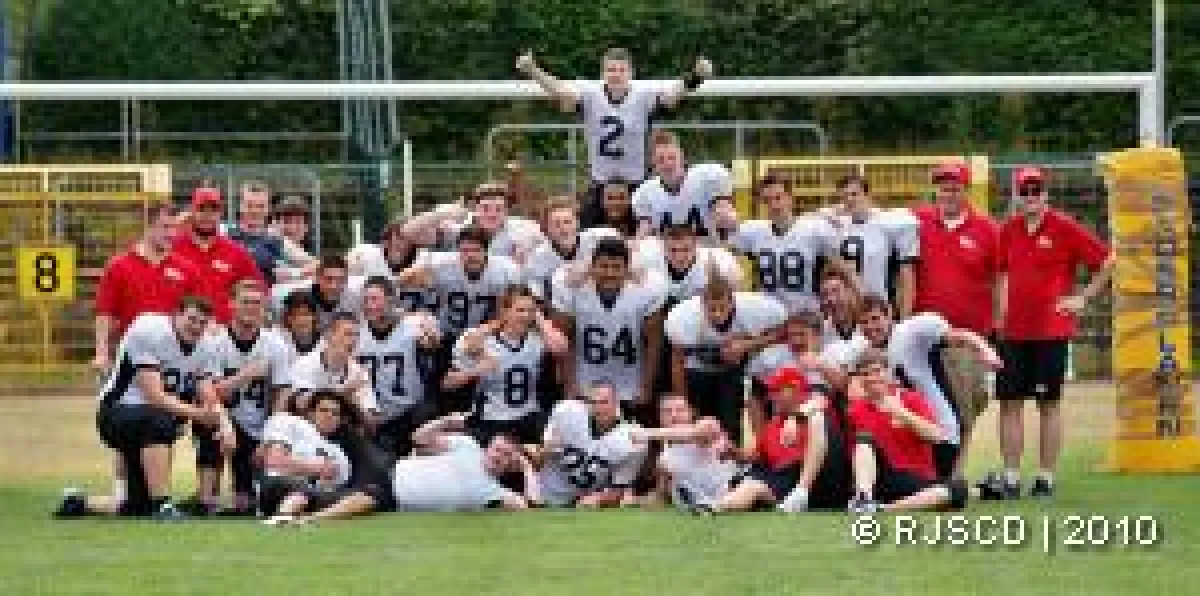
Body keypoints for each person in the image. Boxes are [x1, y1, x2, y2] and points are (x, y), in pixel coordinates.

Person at [981, 166, 1113, 500]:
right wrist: (997, 320)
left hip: (1050, 333)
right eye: (1024, 192)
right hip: (1012, 334)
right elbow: (998, 276)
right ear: (1016, 196)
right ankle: (1011, 476)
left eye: (1036, 191)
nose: (1030, 198)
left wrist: (1084, 297)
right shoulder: (1006, 230)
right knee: (1009, 404)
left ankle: (1045, 477)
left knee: (1048, 403)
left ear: (1046, 194)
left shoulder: (1065, 227)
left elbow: (1108, 261)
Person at [56, 298, 228, 520]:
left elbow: (207, 392)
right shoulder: (149, 330)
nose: (196, 327)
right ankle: (163, 506)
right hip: (117, 413)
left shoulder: (206, 345)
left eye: (202, 323)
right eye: (191, 319)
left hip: (151, 422)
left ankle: (78, 503)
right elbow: (153, 396)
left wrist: (223, 423)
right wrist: (200, 415)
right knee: (160, 416)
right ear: (175, 316)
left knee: (137, 506)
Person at [516, 48, 712, 228]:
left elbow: (671, 97)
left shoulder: (643, 94)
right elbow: (562, 92)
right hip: (601, 183)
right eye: (611, 70)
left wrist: (696, 76)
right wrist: (533, 70)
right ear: (602, 73)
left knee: (647, 235)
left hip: (637, 183)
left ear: (630, 73)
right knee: (585, 235)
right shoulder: (590, 93)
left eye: (621, 70)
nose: (616, 74)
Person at [824, 295, 1003, 478]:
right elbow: (847, 383)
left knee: (918, 483)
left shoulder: (910, 332)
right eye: (864, 323)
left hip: (938, 435)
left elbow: (960, 336)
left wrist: (985, 350)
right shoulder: (864, 348)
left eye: (875, 319)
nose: (871, 327)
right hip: (909, 437)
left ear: (890, 316)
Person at [277, 413, 535, 521]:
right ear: (489, 446)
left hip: (396, 497)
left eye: (505, 454)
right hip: (390, 470)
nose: (498, 456)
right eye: (497, 449)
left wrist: (525, 465)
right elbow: (419, 439)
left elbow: (527, 508)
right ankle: (306, 514)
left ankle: (292, 504)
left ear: (510, 461)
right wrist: (446, 421)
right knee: (359, 489)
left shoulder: (494, 491)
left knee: (348, 498)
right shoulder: (467, 445)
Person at [912, 161, 1003, 468]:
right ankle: (937, 471)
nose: (947, 193)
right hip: (925, 338)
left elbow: (1002, 277)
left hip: (969, 337)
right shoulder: (917, 221)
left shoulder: (988, 229)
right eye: (942, 186)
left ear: (966, 190)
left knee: (966, 407)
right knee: (928, 406)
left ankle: (955, 471)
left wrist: (999, 323)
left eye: (954, 187)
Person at [192, 279, 293, 515]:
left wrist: (271, 435)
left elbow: (283, 392)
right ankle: (206, 497)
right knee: (209, 420)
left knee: (246, 504)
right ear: (232, 305)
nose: (251, 307)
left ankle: (241, 493)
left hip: (256, 429)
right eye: (245, 302)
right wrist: (243, 377)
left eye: (257, 303)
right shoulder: (214, 341)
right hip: (222, 420)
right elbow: (208, 393)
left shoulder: (275, 344)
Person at [699, 366, 850, 514]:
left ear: (796, 389)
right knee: (748, 481)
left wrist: (795, 418)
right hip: (779, 476)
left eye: (777, 390)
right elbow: (754, 456)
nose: (772, 396)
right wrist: (732, 451)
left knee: (754, 485)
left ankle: (716, 507)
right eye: (771, 391)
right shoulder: (774, 423)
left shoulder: (815, 405)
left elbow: (818, 404)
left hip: (815, 478)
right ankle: (717, 505)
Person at [550, 238, 667, 422]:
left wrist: (646, 385)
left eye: (616, 267)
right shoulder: (569, 286)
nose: (609, 273)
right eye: (603, 266)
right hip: (585, 377)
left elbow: (653, 342)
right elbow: (564, 339)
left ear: (627, 269)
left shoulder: (649, 287)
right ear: (591, 267)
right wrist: (569, 382)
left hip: (630, 378)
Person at [664, 271, 788, 442]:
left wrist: (747, 345)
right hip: (697, 369)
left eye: (722, 308)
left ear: (732, 302)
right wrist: (683, 402)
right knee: (699, 424)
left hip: (732, 369)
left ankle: (732, 464)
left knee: (730, 425)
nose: (717, 315)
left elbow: (784, 331)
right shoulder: (682, 318)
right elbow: (677, 361)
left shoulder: (758, 308)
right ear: (702, 304)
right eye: (711, 309)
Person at [845, 349, 968, 514]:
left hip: (917, 478)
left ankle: (881, 509)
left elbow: (937, 436)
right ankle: (864, 499)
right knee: (863, 440)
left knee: (957, 490)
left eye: (877, 371)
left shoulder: (911, 399)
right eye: (866, 374)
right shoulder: (856, 410)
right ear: (860, 379)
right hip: (881, 478)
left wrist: (900, 413)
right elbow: (858, 456)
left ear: (888, 373)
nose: (872, 378)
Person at [444, 286, 569, 444]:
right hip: (491, 419)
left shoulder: (537, 339)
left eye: (530, 311)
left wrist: (540, 319)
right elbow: (448, 383)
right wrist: (476, 371)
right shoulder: (481, 340)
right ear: (505, 311)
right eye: (520, 310)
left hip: (528, 416)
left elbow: (562, 349)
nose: (525, 316)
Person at [93, 200, 202, 373]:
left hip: (172, 359)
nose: (171, 234)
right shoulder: (119, 266)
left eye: (175, 228)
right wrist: (101, 353)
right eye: (165, 227)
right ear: (148, 227)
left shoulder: (187, 269)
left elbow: (200, 313)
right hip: (130, 357)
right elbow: (104, 313)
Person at [356, 276, 441, 458]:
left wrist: (429, 342)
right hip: (369, 415)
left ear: (391, 300)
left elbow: (431, 341)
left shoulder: (414, 326)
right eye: (365, 300)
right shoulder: (355, 332)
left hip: (408, 412)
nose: (369, 305)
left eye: (374, 299)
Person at [731, 175, 839, 314]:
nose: (774, 205)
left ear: (790, 198)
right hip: (768, 314)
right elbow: (722, 251)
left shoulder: (815, 228)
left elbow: (842, 267)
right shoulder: (754, 230)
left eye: (778, 197)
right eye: (767, 200)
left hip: (807, 314)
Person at [823, 175, 918, 317]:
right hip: (849, 312)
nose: (850, 199)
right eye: (844, 196)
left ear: (868, 195)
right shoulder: (837, 225)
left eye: (854, 194)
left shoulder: (890, 223)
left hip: (883, 309)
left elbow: (906, 275)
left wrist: (905, 316)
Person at [538, 383, 647, 508]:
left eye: (604, 402)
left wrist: (600, 499)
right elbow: (541, 458)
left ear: (617, 403)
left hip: (587, 501)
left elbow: (618, 488)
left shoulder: (633, 438)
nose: (599, 408)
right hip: (547, 494)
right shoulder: (566, 411)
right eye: (594, 403)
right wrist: (547, 448)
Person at [173, 187, 266, 323]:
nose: (207, 215)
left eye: (213, 210)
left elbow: (260, 288)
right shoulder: (173, 247)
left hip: (224, 332)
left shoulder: (235, 252)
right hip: (184, 330)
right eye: (202, 210)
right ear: (192, 212)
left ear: (220, 213)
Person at [745, 310, 847, 435]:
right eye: (791, 335)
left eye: (801, 334)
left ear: (817, 335)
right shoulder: (772, 357)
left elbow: (844, 386)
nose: (795, 340)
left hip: (822, 419)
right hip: (783, 416)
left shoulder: (833, 351)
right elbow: (753, 393)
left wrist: (819, 364)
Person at [257, 391, 355, 520]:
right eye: (324, 410)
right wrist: (316, 467)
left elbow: (331, 486)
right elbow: (274, 460)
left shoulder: (340, 454)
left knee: (353, 496)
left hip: (314, 496)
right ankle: (283, 516)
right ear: (311, 413)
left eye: (335, 413)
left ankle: (289, 517)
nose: (329, 416)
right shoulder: (287, 421)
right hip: (277, 486)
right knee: (299, 490)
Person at [634, 394, 741, 511]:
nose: (674, 415)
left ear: (691, 413)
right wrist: (634, 499)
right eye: (667, 412)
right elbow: (660, 494)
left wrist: (647, 434)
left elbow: (697, 433)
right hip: (702, 507)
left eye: (680, 410)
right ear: (660, 418)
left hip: (735, 493)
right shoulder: (664, 457)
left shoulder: (708, 425)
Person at [632, 131, 738, 242]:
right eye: (661, 160)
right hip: (670, 254)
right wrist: (637, 244)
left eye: (672, 158)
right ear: (653, 164)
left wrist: (725, 214)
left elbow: (723, 208)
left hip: (707, 250)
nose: (668, 164)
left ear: (682, 157)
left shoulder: (706, 177)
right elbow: (644, 229)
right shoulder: (646, 193)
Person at [524, 196, 622, 305]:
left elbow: (631, 251)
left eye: (567, 222)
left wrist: (588, 268)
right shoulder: (538, 257)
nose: (563, 228)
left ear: (577, 224)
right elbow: (536, 297)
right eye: (556, 224)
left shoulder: (601, 236)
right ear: (546, 229)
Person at [633, 222, 744, 312]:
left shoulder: (717, 261)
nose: (680, 257)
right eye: (673, 250)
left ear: (697, 245)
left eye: (686, 250)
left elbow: (736, 298)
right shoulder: (646, 255)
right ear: (663, 247)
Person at [288, 311, 378, 421]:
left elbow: (373, 421)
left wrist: (357, 406)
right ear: (329, 336)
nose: (354, 340)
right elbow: (300, 407)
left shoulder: (358, 372)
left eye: (357, 335)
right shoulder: (305, 365)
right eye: (348, 334)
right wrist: (343, 394)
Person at [345, 220, 433, 313]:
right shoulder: (366, 254)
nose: (405, 242)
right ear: (386, 241)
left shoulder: (423, 260)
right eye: (400, 237)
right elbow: (342, 278)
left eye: (410, 237)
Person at [271, 255, 364, 329]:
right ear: (317, 278)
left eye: (340, 280)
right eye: (329, 279)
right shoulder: (297, 298)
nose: (334, 286)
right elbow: (281, 329)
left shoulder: (353, 300)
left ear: (346, 280)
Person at [225, 181, 287, 285]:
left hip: (263, 297)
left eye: (260, 206)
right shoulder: (224, 232)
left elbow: (313, 263)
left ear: (268, 209)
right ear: (241, 207)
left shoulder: (274, 238)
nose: (255, 211)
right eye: (250, 205)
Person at [270, 195, 318, 284]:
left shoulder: (305, 256)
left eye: (298, 222)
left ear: (306, 227)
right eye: (286, 222)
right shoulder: (270, 245)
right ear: (275, 224)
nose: (292, 228)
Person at [818, 264, 862, 345]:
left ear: (851, 292)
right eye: (825, 294)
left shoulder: (871, 328)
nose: (830, 299)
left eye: (836, 291)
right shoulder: (821, 335)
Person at [278, 289, 321, 359]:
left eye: (306, 314)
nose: (301, 320)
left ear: (314, 317)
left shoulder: (324, 344)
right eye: (296, 315)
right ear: (288, 318)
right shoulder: (279, 342)